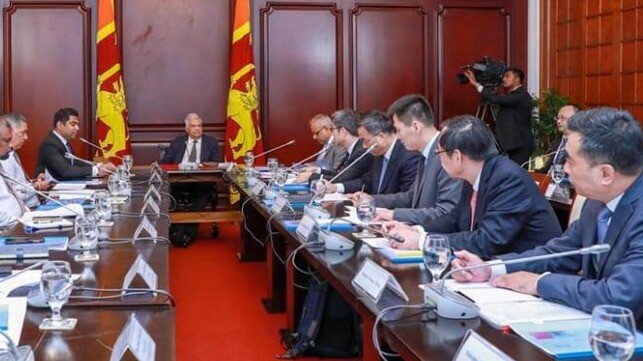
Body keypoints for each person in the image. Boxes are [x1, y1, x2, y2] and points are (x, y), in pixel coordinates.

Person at [451, 108, 643, 329]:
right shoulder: (597, 201)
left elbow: (617, 296)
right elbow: (558, 253)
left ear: (605, 174)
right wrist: (491, 268)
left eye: (570, 161)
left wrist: (539, 283)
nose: (565, 169)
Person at [383, 115, 562, 259]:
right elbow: (454, 219)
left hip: (528, 271)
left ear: (458, 157)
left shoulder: (507, 178)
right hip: (490, 266)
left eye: (438, 152)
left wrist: (421, 241)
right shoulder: (475, 174)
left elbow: (487, 241)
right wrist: (416, 230)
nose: (437, 158)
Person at [354, 94, 461, 226]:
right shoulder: (425, 155)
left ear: (416, 127)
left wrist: (393, 215)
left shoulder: (446, 153)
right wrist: (372, 200)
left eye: (398, 130)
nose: (397, 137)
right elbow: (411, 197)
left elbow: (446, 212)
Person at [323, 110, 420, 195]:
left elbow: (406, 198)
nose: (364, 146)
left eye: (365, 140)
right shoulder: (378, 153)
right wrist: (336, 188)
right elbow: (367, 181)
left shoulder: (408, 156)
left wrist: (371, 200)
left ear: (381, 137)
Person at [161, 113, 222, 247]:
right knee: (170, 193)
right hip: (178, 180)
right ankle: (178, 229)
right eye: (193, 126)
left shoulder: (211, 142)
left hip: (201, 180)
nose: (197, 129)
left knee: (203, 191)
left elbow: (216, 162)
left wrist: (203, 165)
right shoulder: (178, 142)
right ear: (187, 128)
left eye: (199, 126)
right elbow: (165, 162)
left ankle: (187, 232)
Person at [465, 67, 534, 165]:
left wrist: (477, 84)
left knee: (516, 174)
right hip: (512, 145)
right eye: (504, 76)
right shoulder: (511, 95)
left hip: (520, 145)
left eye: (507, 76)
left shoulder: (521, 94)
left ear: (517, 79)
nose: (503, 79)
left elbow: (497, 99)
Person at [35, 108, 115, 180]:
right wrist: (96, 170)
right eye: (73, 124)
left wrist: (99, 166)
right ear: (59, 125)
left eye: (77, 125)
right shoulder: (50, 144)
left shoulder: (63, 142)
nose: (77, 128)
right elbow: (65, 171)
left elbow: (75, 162)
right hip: (52, 191)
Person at [301, 110, 373, 184]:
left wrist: (312, 176)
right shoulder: (352, 149)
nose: (331, 132)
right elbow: (340, 175)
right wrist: (317, 170)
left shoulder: (360, 151)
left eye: (332, 129)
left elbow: (342, 179)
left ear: (342, 131)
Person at [0, 113, 52, 208]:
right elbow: (13, 195)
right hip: (27, 211)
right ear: (10, 132)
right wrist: (36, 186)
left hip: (32, 207)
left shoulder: (12, 154)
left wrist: (34, 182)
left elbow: (17, 183)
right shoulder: (5, 159)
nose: (26, 137)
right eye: (22, 133)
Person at [535, 104, 579, 173]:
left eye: (562, 118)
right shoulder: (557, 142)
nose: (558, 121)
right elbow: (546, 167)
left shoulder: (583, 144)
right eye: (557, 118)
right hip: (549, 180)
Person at [0, 117, 27, 227]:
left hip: (20, 222)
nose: (10, 145)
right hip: (8, 230)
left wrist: (30, 215)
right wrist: (21, 224)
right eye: (6, 141)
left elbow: (12, 196)